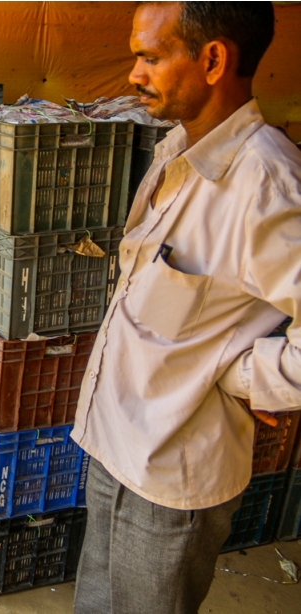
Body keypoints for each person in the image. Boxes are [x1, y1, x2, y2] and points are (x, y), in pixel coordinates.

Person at [71, 2, 301, 612]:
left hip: (174, 475)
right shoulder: (175, 149)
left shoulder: (266, 184)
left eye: (150, 56)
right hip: (116, 440)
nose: (134, 74)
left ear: (214, 60)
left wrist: (244, 374)